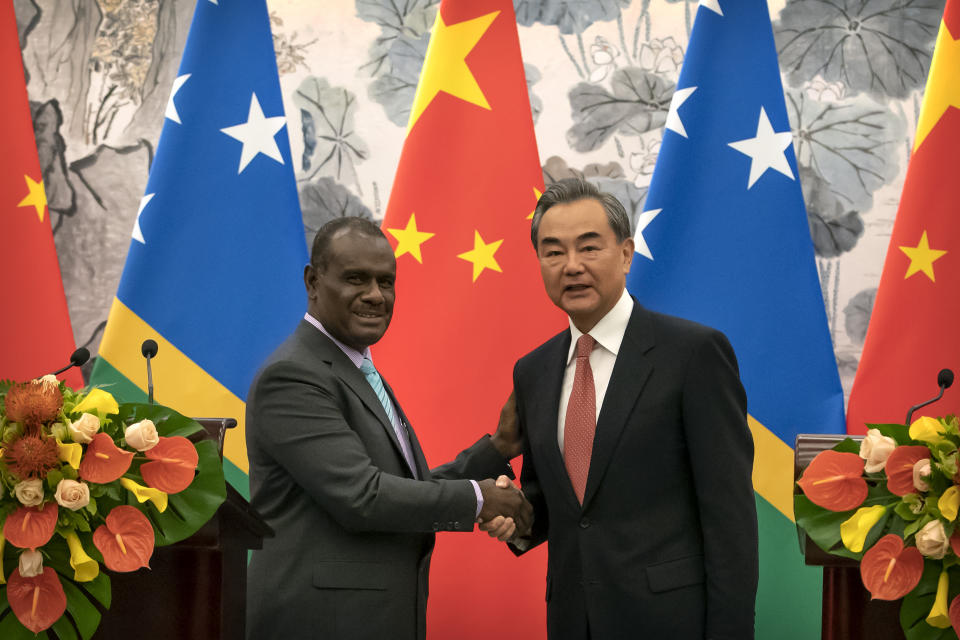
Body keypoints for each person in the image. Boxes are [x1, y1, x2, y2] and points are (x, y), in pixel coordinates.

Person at [485, 178, 758, 639]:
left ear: (626, 254)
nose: (571, 266)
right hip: (572, 622)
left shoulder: (693, 354)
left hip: (671, 623)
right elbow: (557, 506)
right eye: (553, 252)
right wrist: (514, 520)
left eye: (589, 248)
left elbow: (729, 520)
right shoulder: (533, 371)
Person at [246, 217, 530, 640]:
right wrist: (479, 500)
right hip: (321, 622)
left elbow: (402, 487)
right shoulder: (293, 375)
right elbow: (363, 496)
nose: (375, 296)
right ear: (312, 282)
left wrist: (498, 447)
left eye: (386, 282)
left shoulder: (354, 368)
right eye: (356, 279)